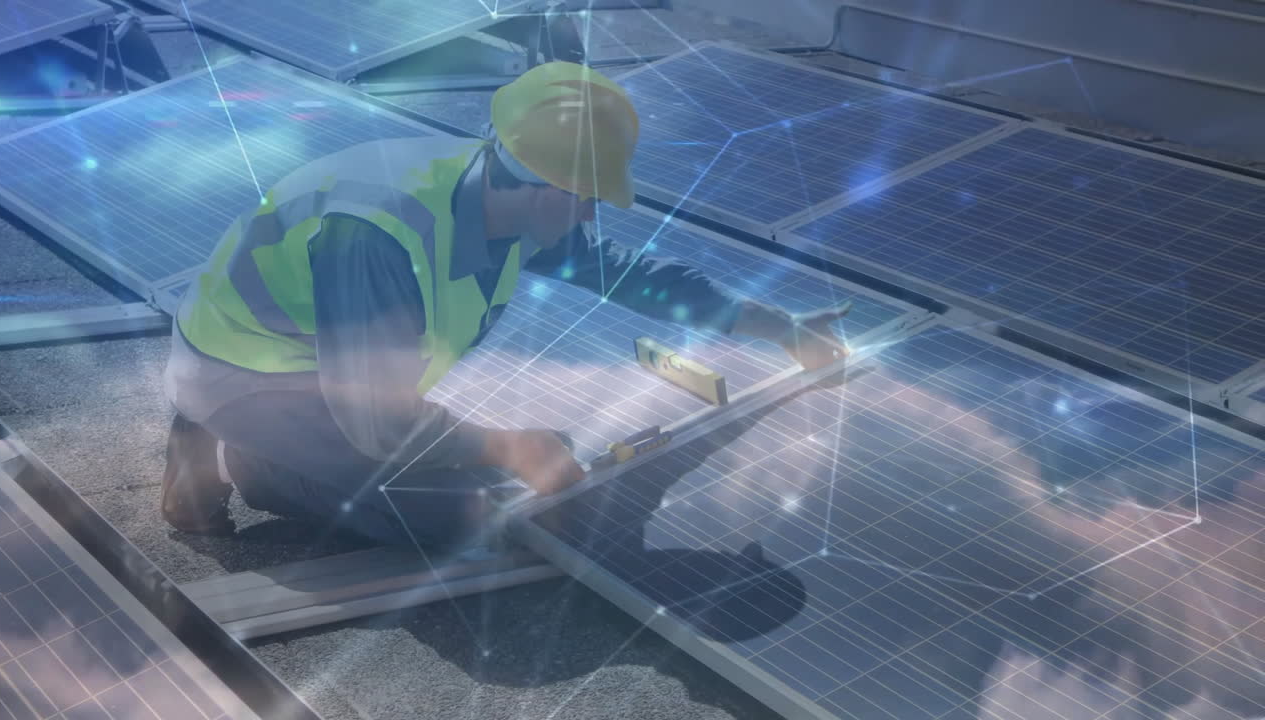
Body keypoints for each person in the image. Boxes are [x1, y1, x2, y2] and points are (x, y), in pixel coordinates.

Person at [160, 61, 850, 547]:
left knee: (531, 473)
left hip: (331, 370)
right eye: (587, 198)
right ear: (545, 186)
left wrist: (780, 328)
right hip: (249, 377)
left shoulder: (504, 200)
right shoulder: (378, 238)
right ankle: (232, 459)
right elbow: (376, 423)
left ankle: (287, 453)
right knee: (468, 519)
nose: (588, 219)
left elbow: (635, 278)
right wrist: (503, 445)